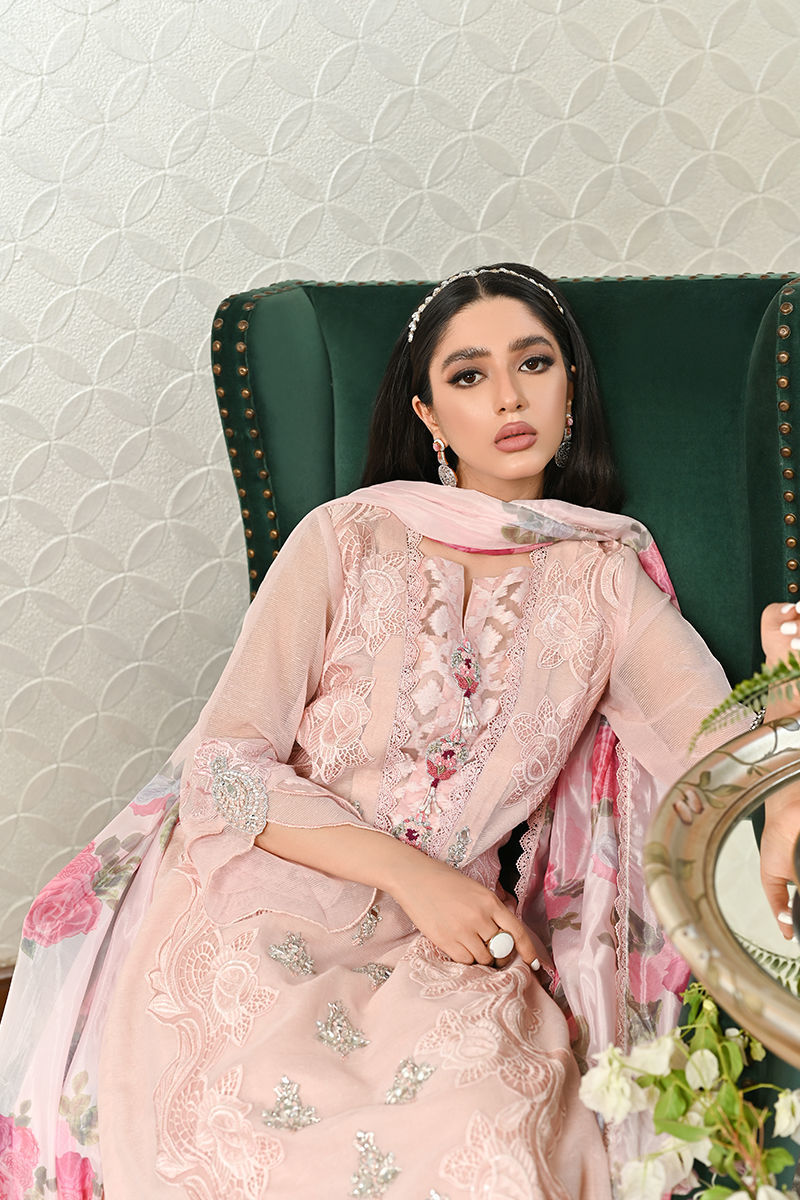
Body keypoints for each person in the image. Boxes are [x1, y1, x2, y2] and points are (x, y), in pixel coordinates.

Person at [0, 263, 797, 1200]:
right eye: (468, 375)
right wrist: (412, 876)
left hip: (448, 947)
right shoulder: (345, 537)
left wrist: (782, 689)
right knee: (247, 1134)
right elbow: (223, 765)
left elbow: (712, 753)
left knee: (489, 1141)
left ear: (571, 389)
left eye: (534, 363)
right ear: (428, 414)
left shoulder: (606, 580)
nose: (508, 397)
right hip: (268, 897)